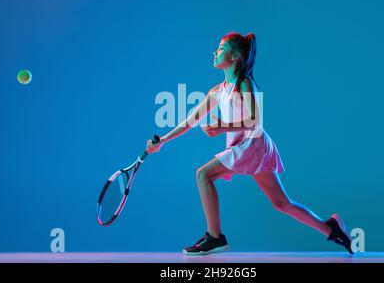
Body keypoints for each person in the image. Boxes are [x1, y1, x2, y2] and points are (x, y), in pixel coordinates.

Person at [146, 32, 353, 255]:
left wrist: (223, 126)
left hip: (252, 144)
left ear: (235, 56)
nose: (215, 52)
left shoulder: (244, 84)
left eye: (221, 48)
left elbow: (255, 120)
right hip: (250, 148)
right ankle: (331, 229)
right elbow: (190, 121)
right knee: (281, 203)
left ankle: (215, 237)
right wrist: (163, 141)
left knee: (203, 175)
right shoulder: (217, 91)